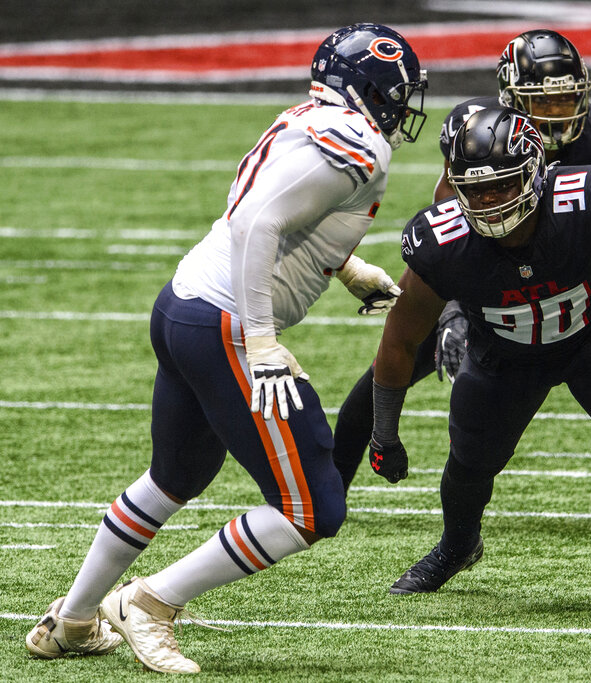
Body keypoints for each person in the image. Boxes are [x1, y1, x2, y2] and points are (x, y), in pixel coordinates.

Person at [24, 23, 427, 674]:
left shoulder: (309, 115)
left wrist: (346, 267)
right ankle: (150, 603)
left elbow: (274, 205)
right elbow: (257, 221)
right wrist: (261, 339)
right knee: (312, 505)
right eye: (398, 93)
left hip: (183, 303)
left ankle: (72, 620)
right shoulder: (360, 143)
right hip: (225, 324)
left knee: (175, 476)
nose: (403, 107)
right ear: (371, 88)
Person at [332, 30, 591, 532]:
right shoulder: (478, 131)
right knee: (390, 365)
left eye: (568, 96)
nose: (559, 112)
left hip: (571, 272)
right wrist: (454, 310)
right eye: (544, 101)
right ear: (509, 99)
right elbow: (447, 227)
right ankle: (329, 486)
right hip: (479, 277)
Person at [367, 107, 591, 610]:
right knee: (469, 468)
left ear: (536, 172)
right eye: (474, 190)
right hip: (503, 352)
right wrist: (384, 431)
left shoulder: (584, 195)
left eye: (502, 185)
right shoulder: (441, 241)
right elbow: (399, 340)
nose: (487, 201)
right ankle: (457, 545)